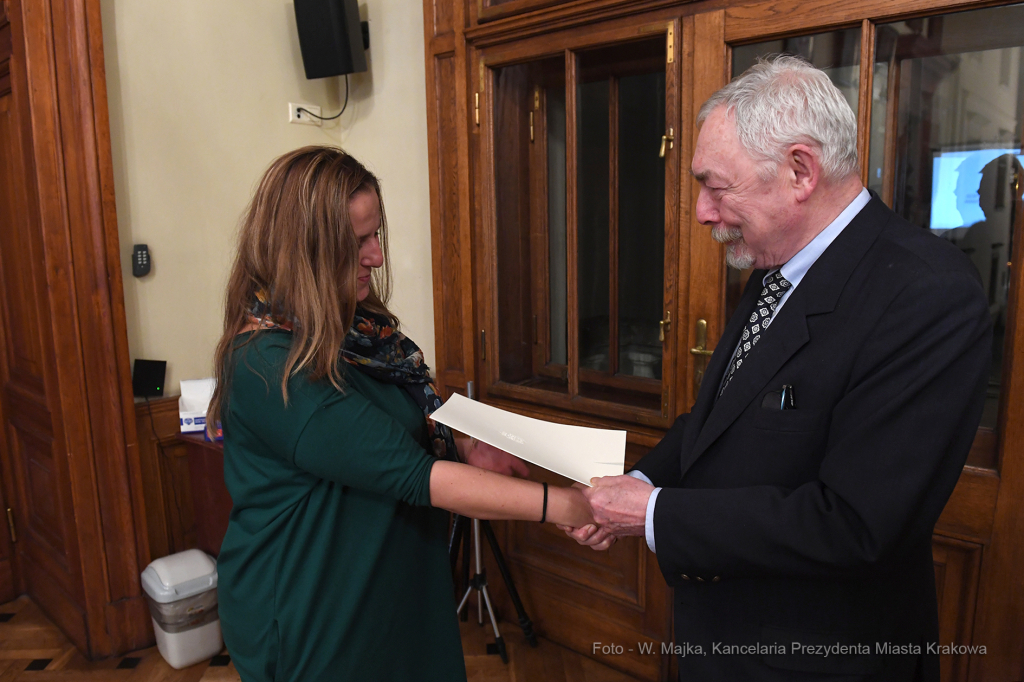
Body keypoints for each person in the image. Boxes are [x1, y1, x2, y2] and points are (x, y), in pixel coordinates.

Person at [563, 56, 991, 681]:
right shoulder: (774, 267)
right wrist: (634, 483)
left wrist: (652, 513)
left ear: (800, 171)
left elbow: (856, 525)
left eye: (717, 187)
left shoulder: (928, 294)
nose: (702, 211)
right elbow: (717, 421)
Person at [208, 146, 593, 682]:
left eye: (375, 236)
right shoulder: (268, 364)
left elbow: (404, 418)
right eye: (356, 243)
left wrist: (465, 445)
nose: (375, 257)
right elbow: (413, 475)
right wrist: (572, 505)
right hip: (315, 610)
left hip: (392, 585)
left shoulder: (355, 330)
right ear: (304, 250)